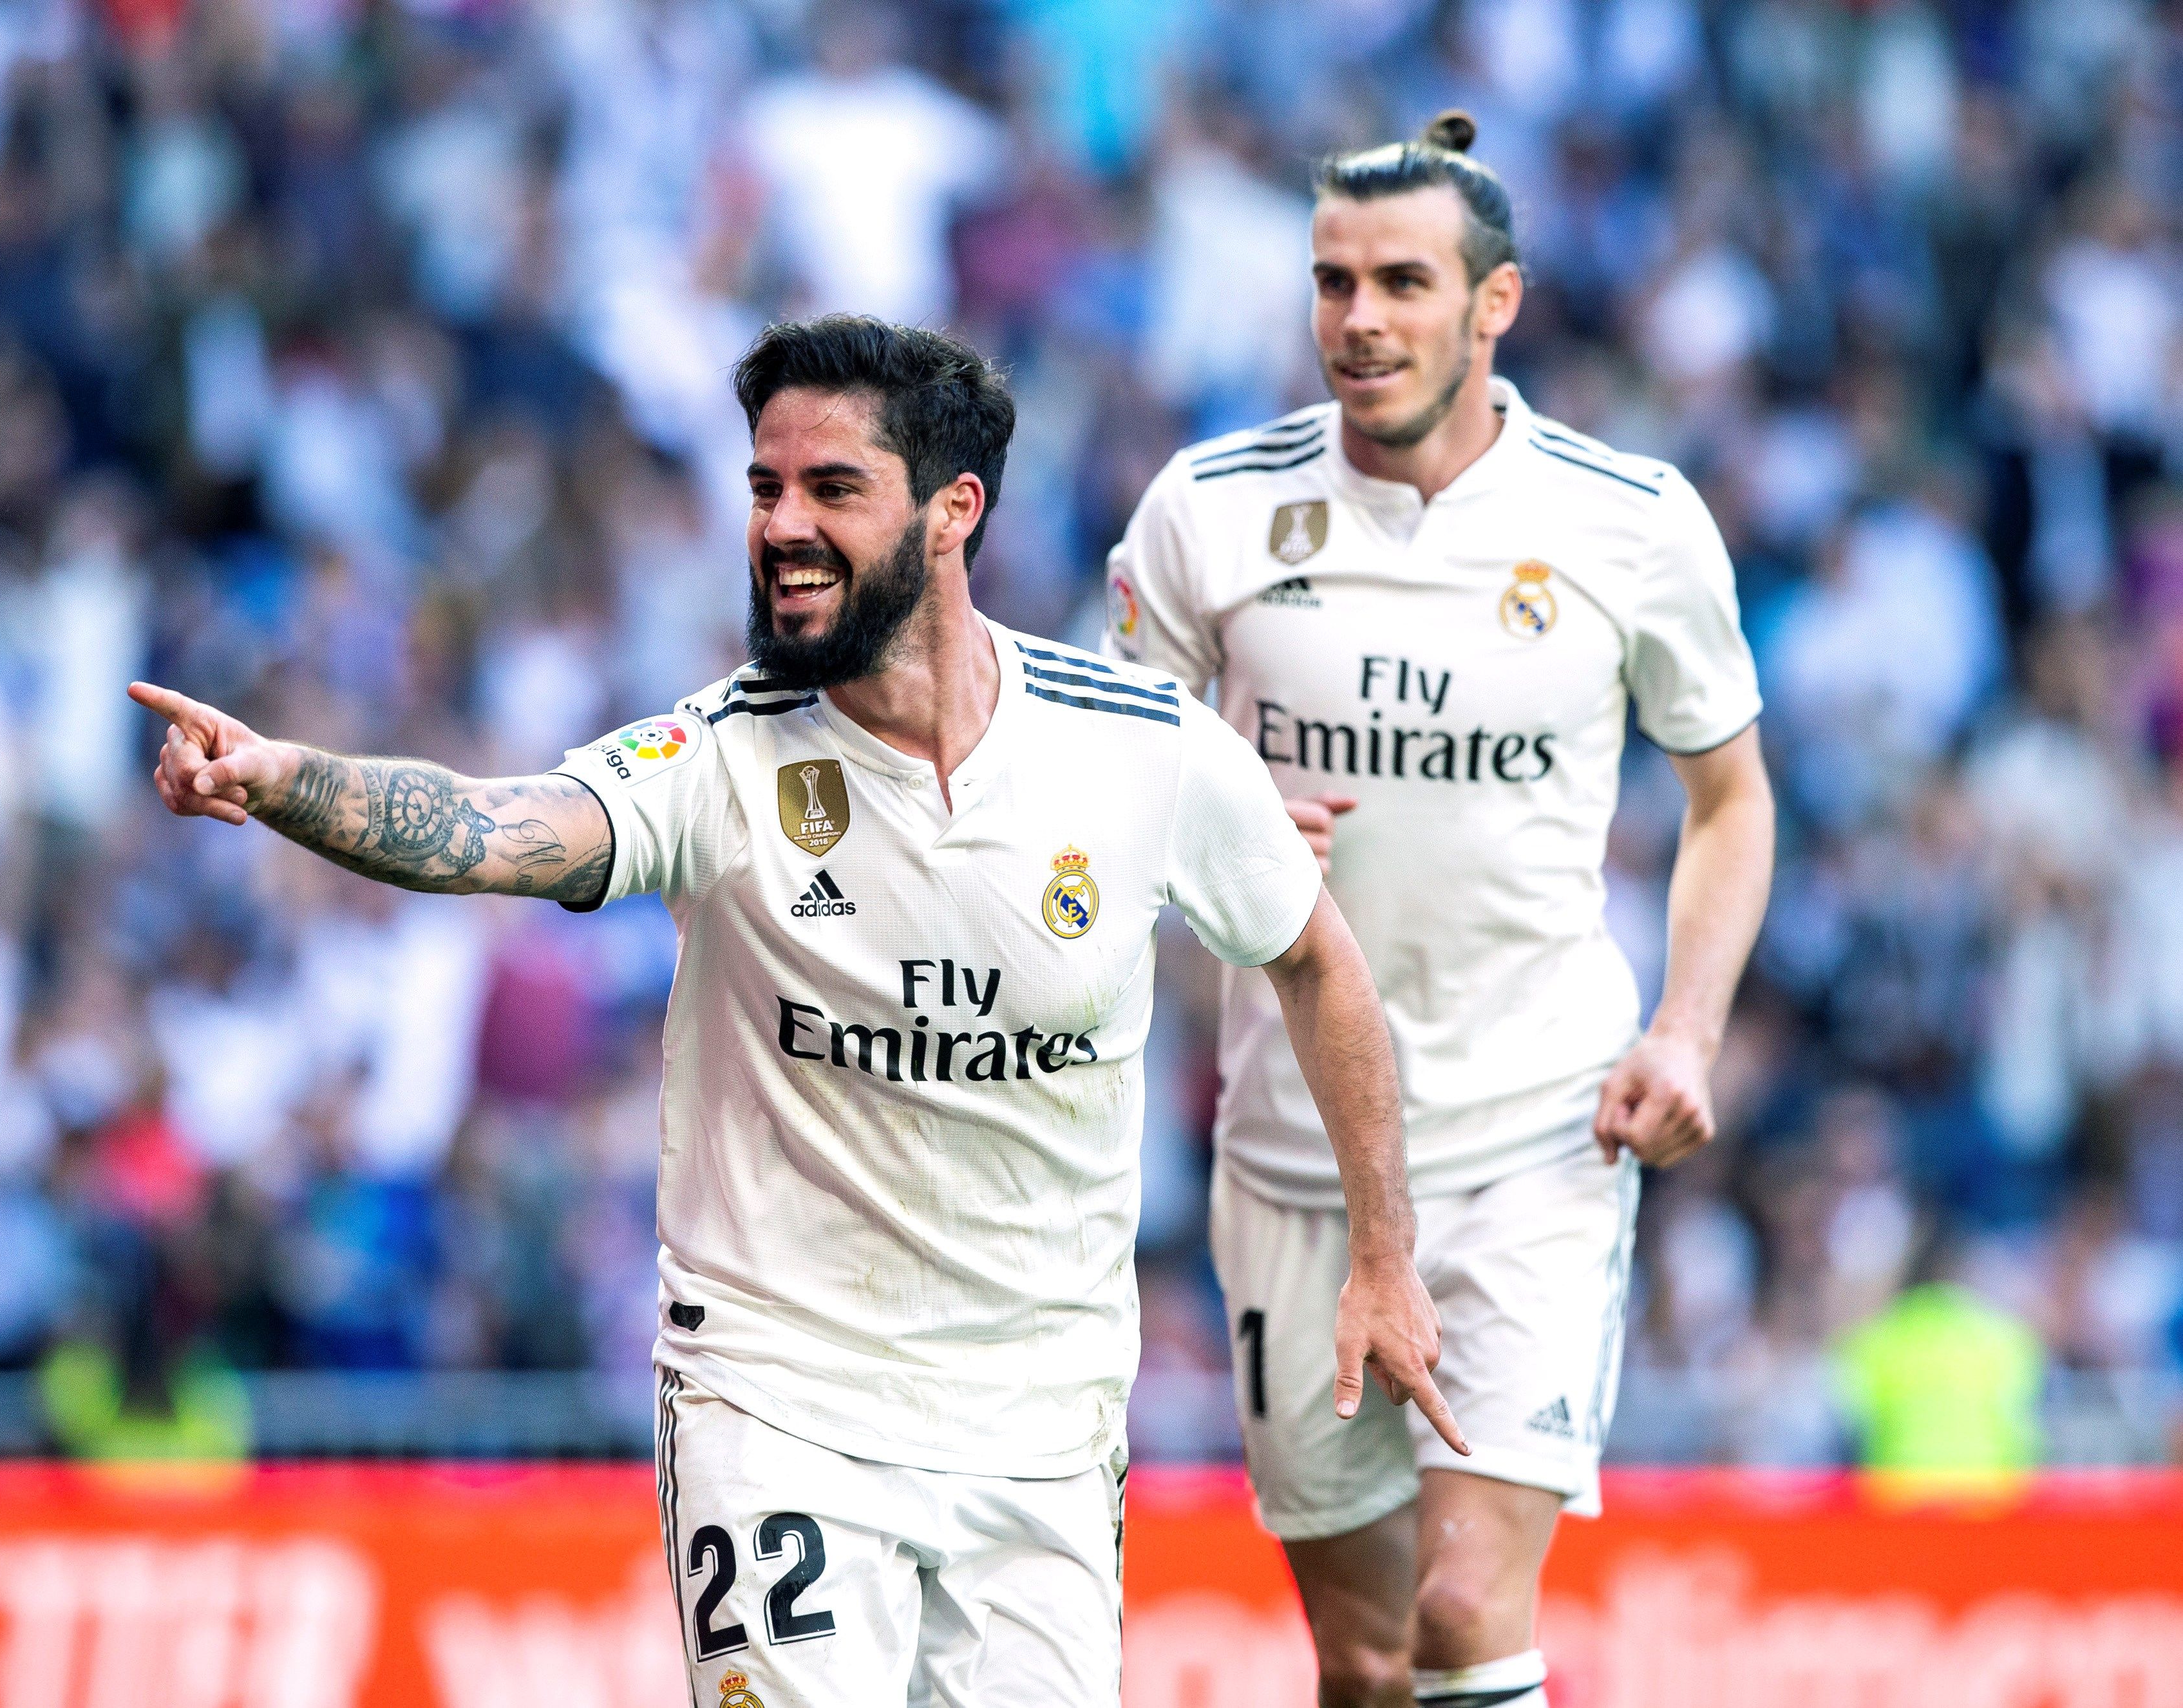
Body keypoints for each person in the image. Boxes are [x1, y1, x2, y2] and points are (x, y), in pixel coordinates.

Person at [135, 314, 1460, 1705]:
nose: (781, 526)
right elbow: (492, 827)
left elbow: (1320, 964)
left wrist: (1383, 1255)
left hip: (1043, 1429)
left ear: (953, 511)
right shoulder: (718, 754)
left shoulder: (1140, 752)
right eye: (765, 487)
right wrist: (285, 780)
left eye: (832, 488)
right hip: (778, 1403)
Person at [1106, 115, 1776, 1708]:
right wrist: (1211, 831)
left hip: (1534, 1137)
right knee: (1364, 1658)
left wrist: (1687, 1027)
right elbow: (1111, 792)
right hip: (1293, 1159)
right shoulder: (1206, 511)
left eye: (1403, 282)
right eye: (1332, 281)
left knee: (1465, 1612)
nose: (1359, 320)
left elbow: (1731, 799)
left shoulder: (1629, 521)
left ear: (1496, 303)